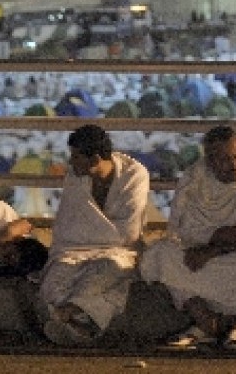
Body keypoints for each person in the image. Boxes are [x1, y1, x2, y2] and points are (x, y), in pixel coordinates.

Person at [140, 125, 236, 349]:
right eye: (224, 160)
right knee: (159, 253)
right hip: (200, 256)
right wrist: (217, 239)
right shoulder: (194, 179)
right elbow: (182, 230)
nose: (234, 165)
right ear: (209, 161)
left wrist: (214, 248)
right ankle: (205, 321)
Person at [38, 124, 150, 346]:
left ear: (95, 159)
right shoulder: (76, 176)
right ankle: (81, 326)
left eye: (76, 157)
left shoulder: (134, 176)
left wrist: (93, 233)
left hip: (119, 252)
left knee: (105, 271)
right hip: (76, 249)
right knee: (52, 284)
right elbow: (70, 223)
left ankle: (66, 313)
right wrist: (96, 234)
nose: (71, 162)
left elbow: (128, 234)